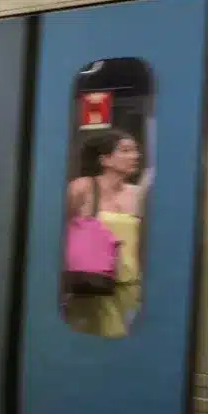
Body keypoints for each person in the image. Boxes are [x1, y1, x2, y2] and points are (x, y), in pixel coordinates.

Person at [64, 130, 146, 338]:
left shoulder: (138, 194)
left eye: (135, 151)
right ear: (105, 159)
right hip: (92, 284)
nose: (135, 156)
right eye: (126, 151)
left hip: (130, 285)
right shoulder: (83, 188)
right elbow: (57, 229)